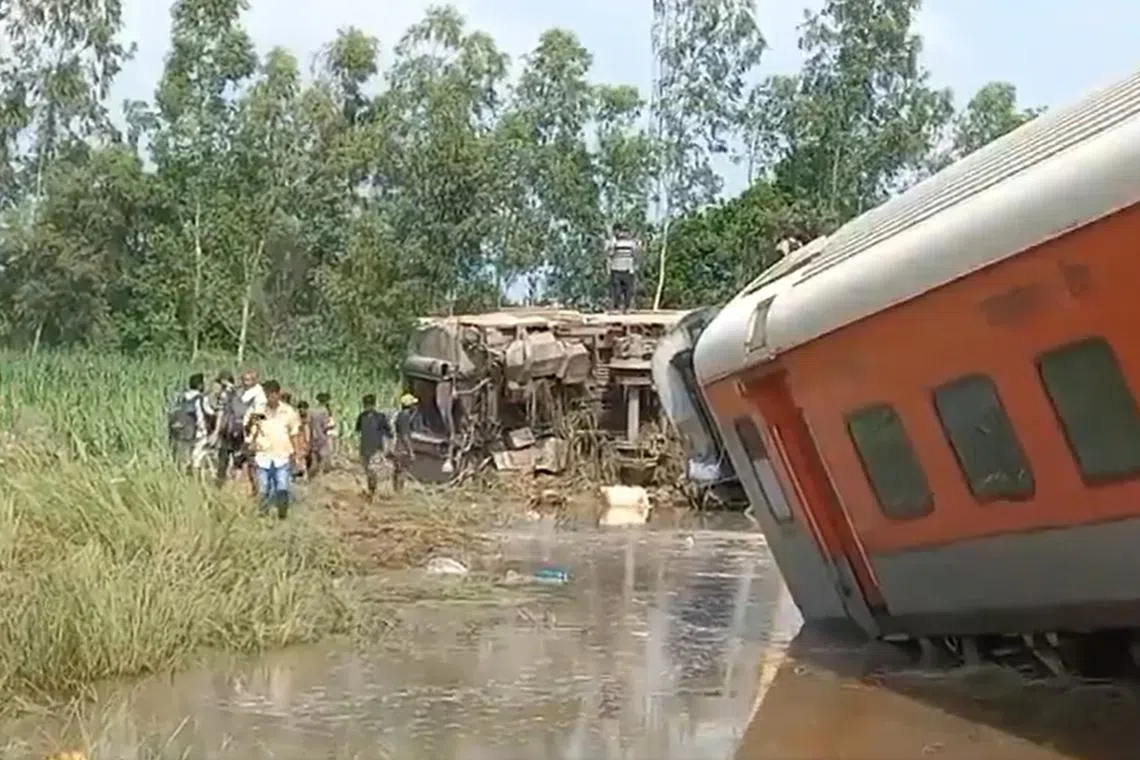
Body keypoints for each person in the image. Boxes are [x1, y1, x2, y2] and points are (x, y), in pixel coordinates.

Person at [243, 379, 302, 518]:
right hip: (263, 454)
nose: (270, 398)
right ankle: (263, 513)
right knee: (263, 487)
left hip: (282, 454)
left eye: (273, 394)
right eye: (267, 395)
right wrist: (249, 442)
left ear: (278, 394)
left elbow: (294, 433)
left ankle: (282, 513)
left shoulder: (288, 412)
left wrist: (297, 454)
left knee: (282, 486)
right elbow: (249, 429)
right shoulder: (259, 411)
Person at [168, 372, 215, 476]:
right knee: (199, 452)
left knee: (186, 452)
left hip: (183, 430)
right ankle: (196, 475)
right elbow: (210, 412)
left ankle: (183, 472)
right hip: (198, 431)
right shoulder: (202, 398)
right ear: (200, 385)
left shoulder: (181, 397)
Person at [355, 394, 393, 501]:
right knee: (368, 471)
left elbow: (388, 432)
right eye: (366, 405)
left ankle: (373, 492)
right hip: (365, 448)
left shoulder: (380, 417)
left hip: (376, 448)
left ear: (373, 405)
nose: (367, 407)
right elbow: (358, 431)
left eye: (369, 405)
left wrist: (388, 446)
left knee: (374, 471)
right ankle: (371, 490)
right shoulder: (361, 416)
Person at [238, 370, 268, 496]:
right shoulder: (252, 393)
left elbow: (259, 417)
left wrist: (252, 436)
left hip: (253, 432)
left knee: (253, 463)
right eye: (244, 380)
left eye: (248, 380)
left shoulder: (257, 394)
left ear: (255, 380)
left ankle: (259, 491)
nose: (245, 383)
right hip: (249, 430)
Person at [212, 370, 243, 486]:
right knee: (237, 459)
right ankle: (235, 484)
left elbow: (220, 413)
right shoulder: (239, 393)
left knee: (223, 457)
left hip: (227, 430)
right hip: (239, 429)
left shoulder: (224, 394)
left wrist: (216, 431)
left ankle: (220, 484)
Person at [605, 223, 639, 312]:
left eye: (625, 231)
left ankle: (626, 307)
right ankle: (617, 307)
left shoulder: (631, 243)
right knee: (617, 290)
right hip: (617, 268)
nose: (623, 234)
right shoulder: (615, 242)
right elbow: (610, 254)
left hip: (627, 269)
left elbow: (635, 255)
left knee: (627, 290)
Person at [390, 393, 418, 493]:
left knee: (397, 470)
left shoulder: (400, 415)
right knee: (402, 471)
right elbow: (405, 436)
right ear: (410, 406)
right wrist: (410, 451)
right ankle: (399, 492)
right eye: (414, 405)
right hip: (401, 448)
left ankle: (396, 490)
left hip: (397, 446)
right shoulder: (405, 417)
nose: (415, 406)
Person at [308, 392, 335, 479]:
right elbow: (325, 426)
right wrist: (331, 426)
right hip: (322, 438)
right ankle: (318, 480)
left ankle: (310, 478)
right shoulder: (325, 411)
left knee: (314, 459)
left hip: (313, 437)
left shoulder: (312, 411)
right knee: (323, 460)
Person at [295, 400, 311, 479]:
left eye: (303, 408)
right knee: (299, 458)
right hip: (299, 440)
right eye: (300, 408)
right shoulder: (296, 418)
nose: (302, 409)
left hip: (305, 440)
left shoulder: (308, 418)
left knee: (304, 458)